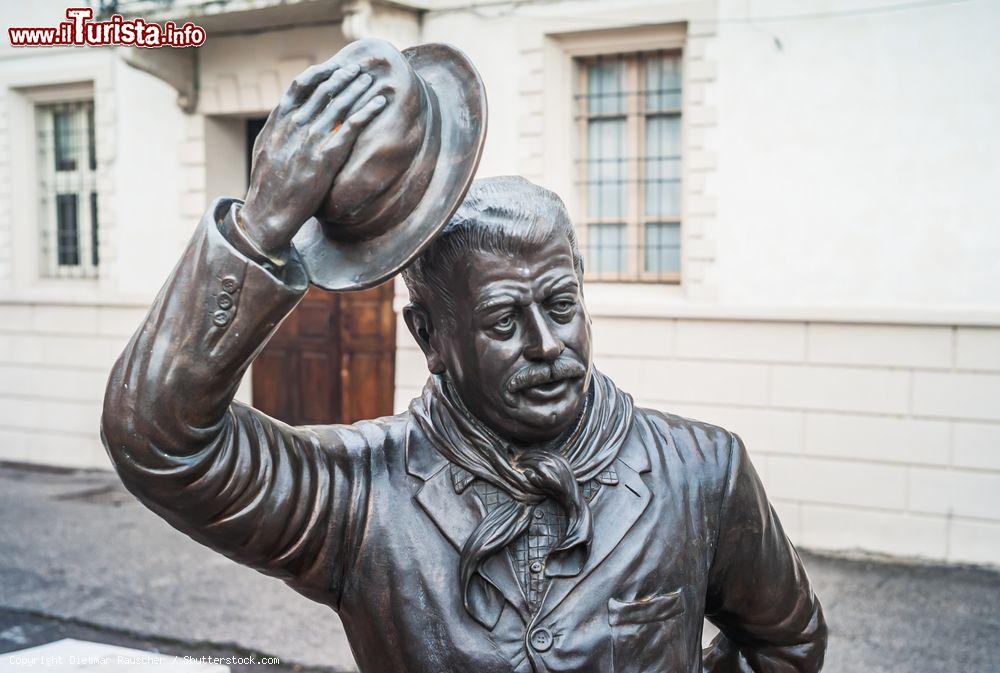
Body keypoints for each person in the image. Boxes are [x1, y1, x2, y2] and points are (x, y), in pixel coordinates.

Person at [101, 55, 826, 673]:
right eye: (504, 320)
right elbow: (159, 438)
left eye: (562, 304)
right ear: (430, 336)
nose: (547, 343)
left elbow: (788, 642)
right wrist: (260, 227)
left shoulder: (701, 472)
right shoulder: (359, 495)